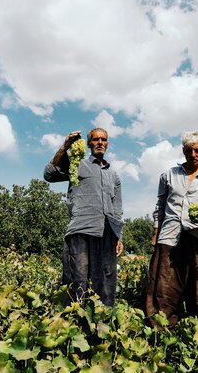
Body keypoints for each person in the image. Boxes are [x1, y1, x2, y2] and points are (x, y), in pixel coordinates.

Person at [145, 130, 198, 328]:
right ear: (183, 151)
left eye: (197, 150)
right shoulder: (169, 175)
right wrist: (156, 232)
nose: (193, 155)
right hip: (171, 237)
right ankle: (162, 330)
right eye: (189, 150)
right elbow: (160, 205)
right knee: (164, 286)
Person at [44, 129, 124, 306]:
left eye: (103, 139)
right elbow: (49, 174)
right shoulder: (77, 164)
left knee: (106, 281)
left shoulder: (114, 175)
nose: (100, 142)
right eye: (95, 139)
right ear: (89, 144)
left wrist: (119, 236)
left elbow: (117, 207)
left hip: (107, 232)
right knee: (78, 279)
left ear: (107, 143)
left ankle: (103, 322)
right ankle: (74, 321)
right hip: (81, 229)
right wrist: (65, 146)